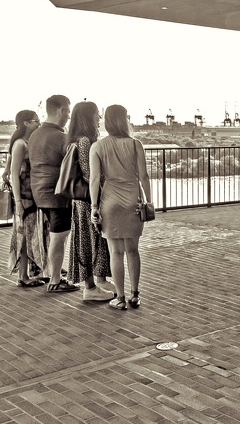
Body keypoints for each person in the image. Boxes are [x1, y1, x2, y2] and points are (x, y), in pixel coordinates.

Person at [90, 104, 151, 310]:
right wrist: (148, 201)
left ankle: (120, 298)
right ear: (124, 120)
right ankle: (135, 295)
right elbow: (143, 176)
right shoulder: (136, 145)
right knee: (133, 250)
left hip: (110, 202)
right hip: (133, 200)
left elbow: (95, 179)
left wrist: (94, 206)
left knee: (116, 252)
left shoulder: (97, 146)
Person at [28, 95, 78, 293]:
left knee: (55, 235)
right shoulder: (60, 137)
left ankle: (53, 273)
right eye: (68, 111)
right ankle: (56, 280)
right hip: (57, 193)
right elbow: (75, 164)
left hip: (39, 191)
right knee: (60, 236)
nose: (68, 116)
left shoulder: (35, 134)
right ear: (61, 110)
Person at [66, 101, 115, 302]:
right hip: (88, 199)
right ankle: (91, 286)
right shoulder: (85, 141)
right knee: (89, 239)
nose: (99, 118)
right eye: (96, 114)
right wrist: (107, 186)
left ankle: (96, 281)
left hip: (80, 199)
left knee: (87, 239)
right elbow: (89, 173)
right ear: (88, 117)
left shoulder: (74, 139)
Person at [8, 110, 46, 287]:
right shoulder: (20, 145)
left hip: (32, 196)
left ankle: (30, 272)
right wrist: (18, 203)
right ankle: (22, 276)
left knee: (31, 234)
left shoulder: (27, 143)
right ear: (26, 123)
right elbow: (14, 175)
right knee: (24, 236)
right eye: (35, 121)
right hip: (24, 197)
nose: (39, 124)